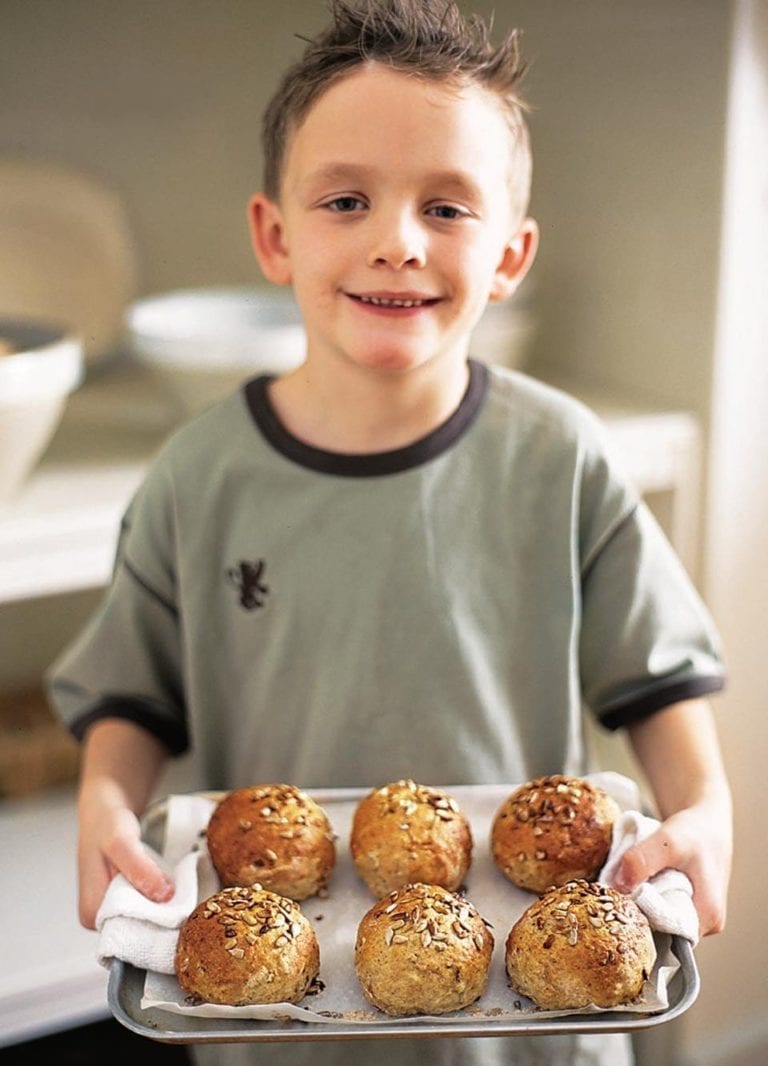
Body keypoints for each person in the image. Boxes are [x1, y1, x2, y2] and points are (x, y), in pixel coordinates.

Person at [47, 2, 732, 1064]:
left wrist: (705, 809)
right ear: (276, 234)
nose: (396, 242)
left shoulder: (561, 459)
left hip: (530, 1024)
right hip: (275, 1028)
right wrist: (103, 800)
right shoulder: (200, 475)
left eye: (448, 207)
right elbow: (129, 694)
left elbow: (661, 681)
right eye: (347, 198)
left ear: (511, 255)